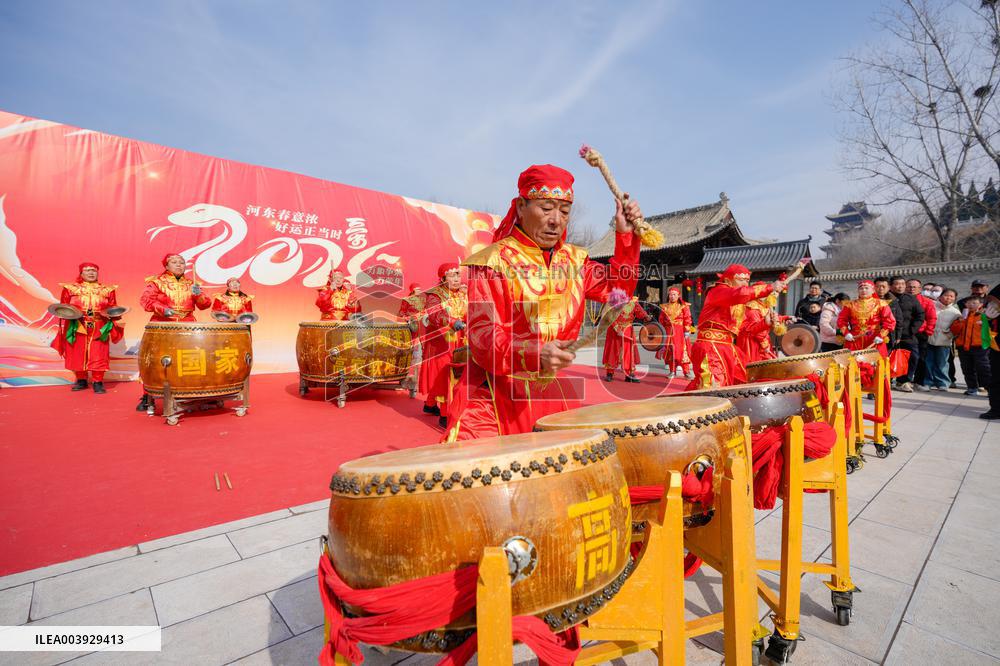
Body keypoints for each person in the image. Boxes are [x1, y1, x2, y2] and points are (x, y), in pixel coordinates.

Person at [447, 164, 642, 440]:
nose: (556, 220)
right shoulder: (492, 262)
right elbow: (482, 337)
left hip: (555, 392)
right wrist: (534, 354)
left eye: (564, 211)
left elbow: (618, 292)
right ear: (521, 207)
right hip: (494, 395)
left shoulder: (576, 262)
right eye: (546, 208)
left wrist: (626, 237)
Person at [686, 265, 787, 389]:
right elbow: (740, 293)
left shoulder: (739, 304)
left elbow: (747, 329)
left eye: (747, 280)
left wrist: (765, 323)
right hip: (710, 346)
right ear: (728, 281)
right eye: (741, 280)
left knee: (744, 380)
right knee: (712, 387)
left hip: (728, 347)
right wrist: (770, 287)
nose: (745, 283)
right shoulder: (717, 291)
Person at [137, 253, 212, 410]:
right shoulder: (156, 282)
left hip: (187, 324)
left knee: (189, 360)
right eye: (174, 262)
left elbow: (205, 305)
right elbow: (146, 301)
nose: (179, 265)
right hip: (163, 323)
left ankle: (189, 393)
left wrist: (198, 295)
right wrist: (164, 310)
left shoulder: (192, 283)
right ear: (166, 266)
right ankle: (147, 395)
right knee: (157, 361)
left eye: (182, 262)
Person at [50, 262, 124, 394]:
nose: (91, 273)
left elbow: (113, 308)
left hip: (100, 325)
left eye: (94, 270)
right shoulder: (70, 289)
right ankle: (81, 380)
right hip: (77, 324)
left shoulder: (107, 290)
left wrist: (116, 315)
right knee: (77, 352)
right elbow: (64, 307)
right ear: (81, 273)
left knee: (98, 353)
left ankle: (97, 381)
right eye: (88, 270)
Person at [419, 264, 467, 428]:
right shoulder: (434, 295)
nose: (456, 279)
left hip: (459, 340)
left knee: (449, 374)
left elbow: (468, 311)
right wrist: (453, 321)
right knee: (447, 374)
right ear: (443, 279)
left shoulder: (462, 294)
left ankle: (430, 404)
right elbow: (435, 315)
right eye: (452, 276)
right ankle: (445, 415)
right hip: (442, 342)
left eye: (458, 275)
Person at [837, 280, 896, 357]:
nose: (863, 290)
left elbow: (889, 322)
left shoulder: (880, 304)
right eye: (861, 288)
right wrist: (846, 333)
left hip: (874, 338)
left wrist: (881, 335)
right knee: (853, 363)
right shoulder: (850, 305)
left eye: (866, 288)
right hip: (854, 338)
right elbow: (841, 320)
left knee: (875, 363)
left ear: (873, 290)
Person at [950, 296, 996, 396]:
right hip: (963, 347)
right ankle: (972, 388)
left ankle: (990, 389)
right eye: (969, 303)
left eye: (974, 303)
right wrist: (961, 320)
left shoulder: (985, 316)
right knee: (967, 368)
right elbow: (954, 330)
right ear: (965, 305)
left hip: (980, 347)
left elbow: (992, 330)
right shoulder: (962, 316)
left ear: (981, 305)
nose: (971, 305)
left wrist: (986, 321)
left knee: (983, 368)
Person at [887, 275, 925, 392]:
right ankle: (886, 381)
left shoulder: (911, 298)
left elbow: (920, 315)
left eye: (903, 284)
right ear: (891, 286)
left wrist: (912, 330)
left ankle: (903, 381)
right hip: (889, 335)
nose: (901, 286)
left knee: (913, 357)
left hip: (907, 334)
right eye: (897, 284)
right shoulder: (886, 298)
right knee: (888, 358)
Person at [602, 295, 651, 382]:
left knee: (628, 351)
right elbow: (608, 315)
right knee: (613, 350)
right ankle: (609, 373)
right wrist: (617, 329)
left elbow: (639, 312)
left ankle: (629, 374)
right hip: (614, 329)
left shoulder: (633, 300)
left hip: (627, 328)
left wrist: (646, 316)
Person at [923, 288, 960, 390]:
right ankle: (928, 382)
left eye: (951, 296)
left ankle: (942, 383)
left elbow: (958, 327)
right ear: (940, 296)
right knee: (928, 362)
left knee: (942, 363)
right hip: (930, 338)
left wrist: (949, 335)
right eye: (946, 295)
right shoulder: (932, 306)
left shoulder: (956, 312)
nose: (948, 297)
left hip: (944, 341)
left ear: (955, 299)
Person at [736, 283, 784, 363]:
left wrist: (785, 318)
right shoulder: (753, 308)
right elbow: (755, 330)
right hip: (753, 343)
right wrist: (764, 344)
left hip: (760, 340)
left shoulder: (762, 305)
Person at [656, 286, 694, 378]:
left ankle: (686, 371)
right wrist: (662, 331)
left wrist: (687, 330)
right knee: (670, 351)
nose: (672, 296)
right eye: (670, 295)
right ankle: (672, 371)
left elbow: (687, 318)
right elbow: (661, 320)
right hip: (668, 332)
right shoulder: (664, 307)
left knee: (682, 351)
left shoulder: (683, 306)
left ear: (678, 295)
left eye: (674, 295)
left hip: (680, 332)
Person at [907, 278, 938, 391]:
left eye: (914, 287)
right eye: (909, 287)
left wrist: (928, 331)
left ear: (920, 289)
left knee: (921, 358)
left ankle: (919, 381)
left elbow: (932, 318)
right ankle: (904, 381)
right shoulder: (901, 300)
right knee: (906, 357)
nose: (911, 289)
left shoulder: (927, 301)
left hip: (921, 333)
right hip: (906, 334)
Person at [981, 285, 1000, 419]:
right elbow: (986, 333)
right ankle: (996, 409)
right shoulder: (997, 292)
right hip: (998, 346)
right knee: (997, 378)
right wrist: (987, 319)